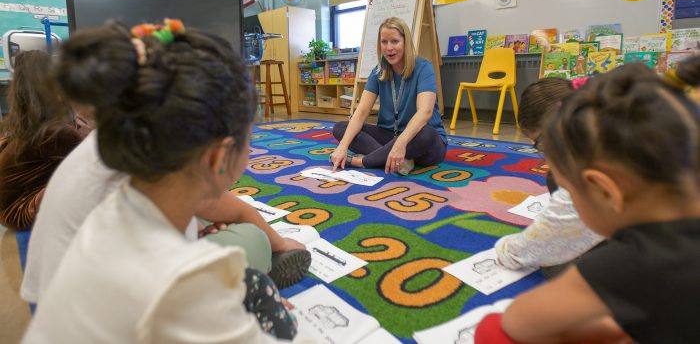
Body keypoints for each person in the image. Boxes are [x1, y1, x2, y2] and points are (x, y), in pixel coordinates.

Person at [22, 20, 314, 343]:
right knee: (254, 252)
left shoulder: (120, 198)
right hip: (163, 298)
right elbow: (177, 289)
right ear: (218, 158)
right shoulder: (183, 287)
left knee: (243, 270)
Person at [475, 63, 700, 343]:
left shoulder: (631, 259)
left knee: (491, 332)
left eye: (569, 192)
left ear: (605, 191)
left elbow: (517, 321)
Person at [495, 77, 604, 278]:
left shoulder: (582, 173)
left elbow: (531, 249)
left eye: (541, 144)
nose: (545, 155)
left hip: (656, 265)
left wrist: (504, 248)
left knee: (555, 264)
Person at [330, 17, 447, 175]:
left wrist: (400, 144)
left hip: (419, 141)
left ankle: (364, 162)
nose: (389, 48)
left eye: (395, 41)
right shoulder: (378, 72)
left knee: (427, 133)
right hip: (390, 135)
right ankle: (399, 161)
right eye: (384, 42)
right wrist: (342, 146)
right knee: (341, 128)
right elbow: (362, 112)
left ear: (406, 42)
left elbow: (424, 113)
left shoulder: (424, 68)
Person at [0, 51, 87, 230]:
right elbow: (94, 165)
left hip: (9, 208)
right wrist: (92, 134)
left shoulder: (22, 124)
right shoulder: (56, 134)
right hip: (22, 210)